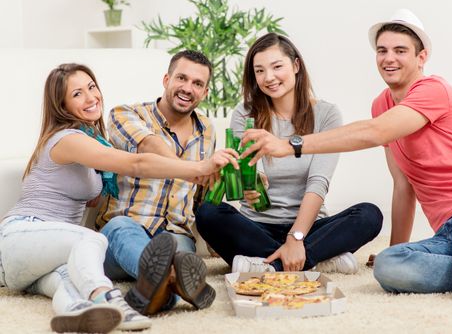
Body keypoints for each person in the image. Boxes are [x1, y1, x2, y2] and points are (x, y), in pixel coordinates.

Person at [240, 9, 452, 300]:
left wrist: (290, 145)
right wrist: (398, 247)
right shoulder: (382, 104)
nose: (389, 58)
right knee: (389, 266)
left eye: (400, 50)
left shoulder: (434, 89)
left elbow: (376, 132)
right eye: (382, 50)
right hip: (448, 231)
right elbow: (403, 186)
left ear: (421, 57)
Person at [0, 63, 238, 333]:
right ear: (61, 105)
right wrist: (198, 168)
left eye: (92, 87)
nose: (91, 97)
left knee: (69, 282)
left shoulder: (93, 142)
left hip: (41, 261)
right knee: (94, 237)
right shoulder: (67, 139)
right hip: (22, 235)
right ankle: (112, 295)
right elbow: (136, 164)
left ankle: (110, 312)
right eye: (77, 94)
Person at [196, 33, 383, 274]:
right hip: (256, 226)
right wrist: (251, 182)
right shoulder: (245, 112)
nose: (269, 78)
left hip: (308, 228)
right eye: (260, 71)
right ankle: (317, 258)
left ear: (295, 66)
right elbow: (247, 172)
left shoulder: (327, 114)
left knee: (369, 215)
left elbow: (318, 182)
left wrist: (296, 237)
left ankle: (269, 264)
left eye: (277, 67)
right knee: (208, 213)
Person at [95, 50, 225, 314]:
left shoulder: (207, 132)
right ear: (166, 79)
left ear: (205, 92)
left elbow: (202, 196)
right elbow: (149, 146)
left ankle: (162, 291)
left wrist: (216, 241)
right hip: (123, 234)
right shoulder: (126, 114)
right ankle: (176, 281)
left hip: (175, 236)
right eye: (182, 78)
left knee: (179, 253)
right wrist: (194, 169)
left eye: (197, 84)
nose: (188, 88)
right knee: (121, 227)